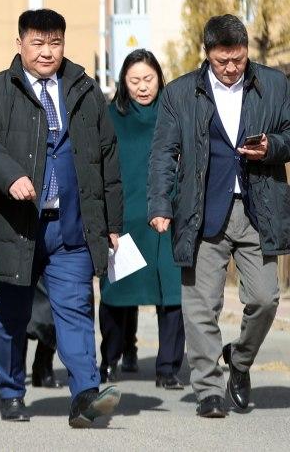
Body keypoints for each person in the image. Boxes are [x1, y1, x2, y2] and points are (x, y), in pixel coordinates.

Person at [0, 8, 122, 428]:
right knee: (11, 314)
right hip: (16, 226)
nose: (47, 52)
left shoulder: (86, 91)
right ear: (20, 44)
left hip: (70, 226)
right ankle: (11, 392)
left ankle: (85, 396)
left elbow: (106, 157)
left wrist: (112, 223)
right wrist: (10, 174)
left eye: (55, 42)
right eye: (38, 42)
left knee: (75, 310)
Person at [148, 14, 290, 418]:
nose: (231, 68)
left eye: (239, 60)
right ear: (207, 53)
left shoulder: (275, 85)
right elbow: (163, 154)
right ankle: (209, 388)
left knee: (265, 299)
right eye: (222, 61)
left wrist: (274, 146)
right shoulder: (179, 93)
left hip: (257, 206)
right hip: (201, 209)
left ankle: (239, 362)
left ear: (247, 53)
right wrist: (159, 204)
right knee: (200, 305)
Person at [98, 49, 184, 390]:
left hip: (167, 216)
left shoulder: (174, 112)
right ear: (123, 83)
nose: (142, 87)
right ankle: (110, 358)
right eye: (134, 81)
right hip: (126, 216)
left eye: (148, 79)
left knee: (172, 294)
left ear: (160, 79)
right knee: (118, 293)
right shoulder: (111, 116)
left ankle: (168, 368)